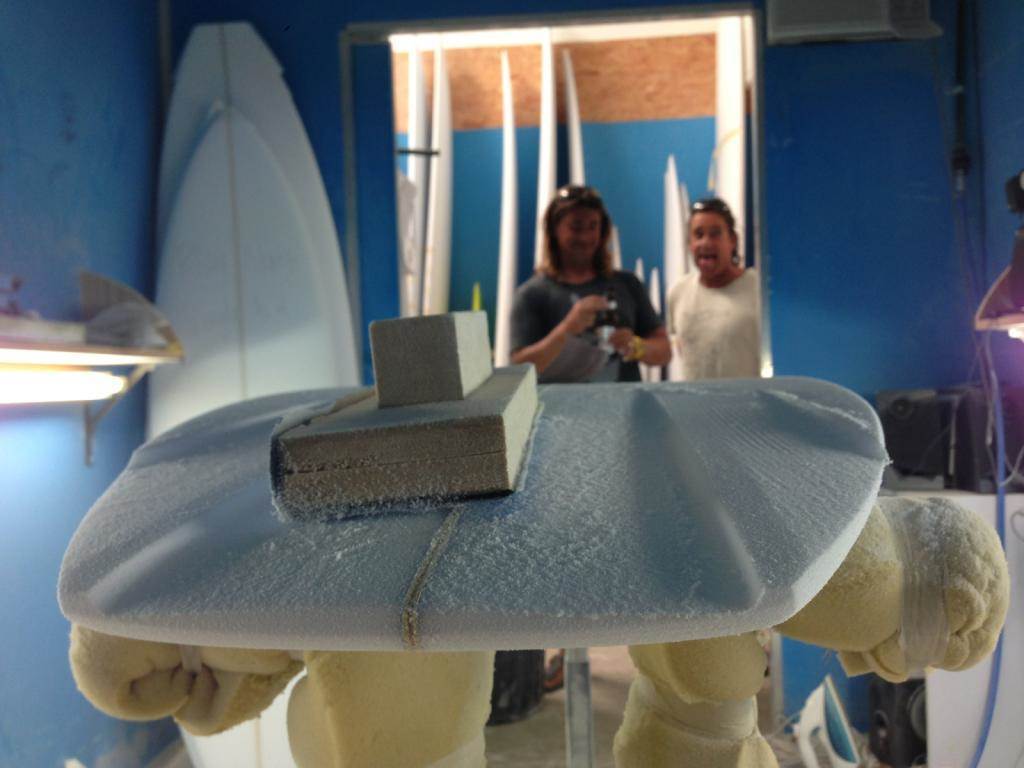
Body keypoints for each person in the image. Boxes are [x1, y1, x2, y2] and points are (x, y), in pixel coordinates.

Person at [511, 185, 671, 382]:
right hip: (560, 402)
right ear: (554, 230)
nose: (585, 237)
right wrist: (567, 329)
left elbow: (665, 351)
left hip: (624, 401)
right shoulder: (531, 294)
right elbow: (519, 369)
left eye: (593, 226)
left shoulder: (628, 284)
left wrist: (636, 346)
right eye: (576, 227)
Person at [667, 197, 761, 380]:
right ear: (689, 244)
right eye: (698, 234)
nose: (705, 243)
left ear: (733, 240)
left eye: (715, 234)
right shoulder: (677, 293)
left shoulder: (758, 288)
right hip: (695, 399)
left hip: (750, 399)